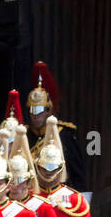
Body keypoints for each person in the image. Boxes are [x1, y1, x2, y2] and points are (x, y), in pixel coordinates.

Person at [26, 62, 84, 191]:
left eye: (40, 110)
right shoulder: (24, 134)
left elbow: (76, 172)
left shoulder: (63, 134)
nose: (35, 115)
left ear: (48, 111)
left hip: (58, 194)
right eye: (32, 110)